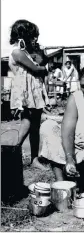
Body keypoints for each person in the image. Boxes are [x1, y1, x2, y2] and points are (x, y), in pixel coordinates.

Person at [8, 19, 49, 168]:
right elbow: (37, 68)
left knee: (36, 124)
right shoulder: (17, 52)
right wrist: (44, 68)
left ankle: (34, 159)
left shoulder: (29, 52)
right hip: (24, 91)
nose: (36, 39)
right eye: (32, 36)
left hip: (34, 90)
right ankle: (11, 151)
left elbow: (43, 60)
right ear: (22, 36)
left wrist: (40, 52)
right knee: (28, 121)